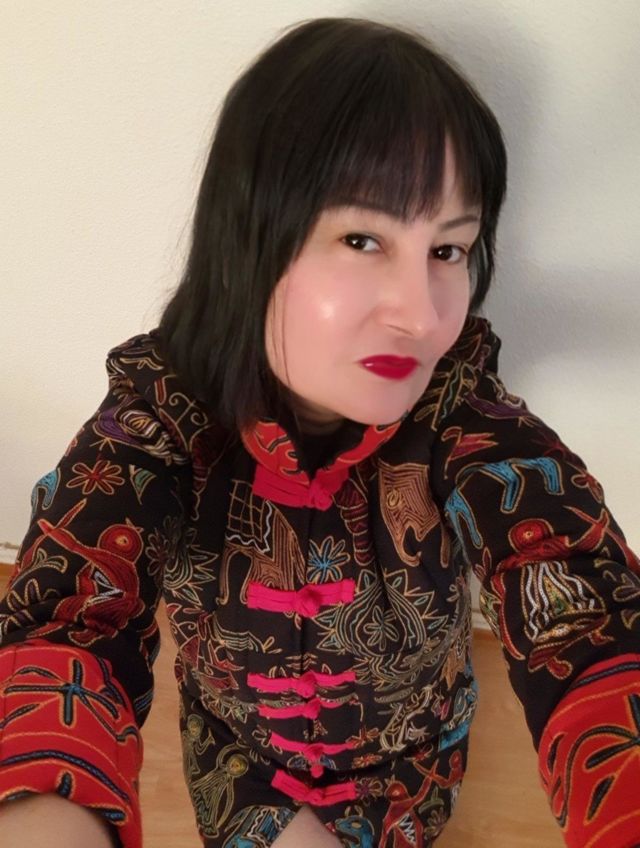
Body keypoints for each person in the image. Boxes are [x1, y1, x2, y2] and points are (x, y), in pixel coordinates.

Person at [0, 16, 638, 848]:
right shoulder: (161, 412)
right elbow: (63, 627)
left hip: (414, 768)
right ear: (250, 238)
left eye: (450, 249)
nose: (423, 315)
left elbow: (580, 601)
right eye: (362, 238)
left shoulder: (459, 407)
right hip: (243, 767)